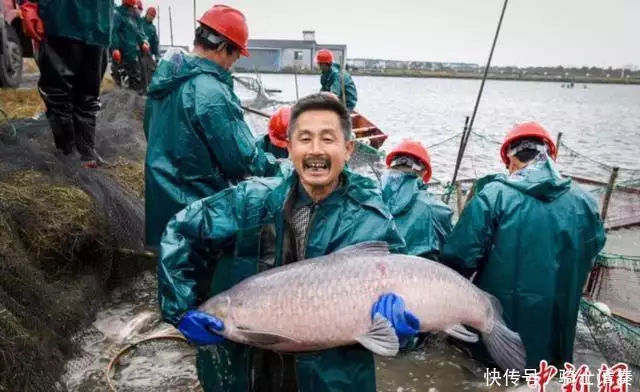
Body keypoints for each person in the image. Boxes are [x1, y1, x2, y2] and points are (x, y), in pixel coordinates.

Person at [158, 93, 418, 392]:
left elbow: (412, 301)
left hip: (333, 380)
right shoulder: (250, 200)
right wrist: (182, 309)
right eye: (305, 139)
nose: (316, 150)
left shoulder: (374, 220)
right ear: (290, 146)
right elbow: (181, 231)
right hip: (247, 371)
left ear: (348, 149)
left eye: (328, 139)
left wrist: (405, 332)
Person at [440, 122, 606, 370]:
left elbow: (459, 259)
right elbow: (594, 248)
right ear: (550, 156)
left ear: (511, 160)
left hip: (496, 345)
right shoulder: (585, 201)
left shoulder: (493, 195)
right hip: (555, 345)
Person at [144, 5, 280, 250]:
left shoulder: (162, 82)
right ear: (221, 46)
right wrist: (281, 169)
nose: (234, 61)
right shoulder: (212, 92)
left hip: (162, 206)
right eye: (235, 54)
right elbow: (240, 159)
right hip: (201, 210)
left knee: (174, 275)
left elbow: (152, 133)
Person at [18, 0, 113, 166]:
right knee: (60, 90)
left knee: (90, 92)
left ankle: (86, 149)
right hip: (61, 16)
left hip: (99, 22)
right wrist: (29, 5)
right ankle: (67, 151)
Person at [382, 140, 453, 260]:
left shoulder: (369, 198)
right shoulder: (436, 209)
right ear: (424, 172)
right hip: (420, 276)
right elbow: (453, 252)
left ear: (390, 166)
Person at [110, 0, 149, 94]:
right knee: (118, 81)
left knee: (136, 80)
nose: (133, 8)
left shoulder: (133, 17)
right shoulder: (117, 15)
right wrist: (115, 48)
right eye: (131, 6)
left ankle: (134, 103)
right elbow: (113, 32)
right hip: (121, 55)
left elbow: (137, 32)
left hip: (132, 55)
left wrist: (142, 42)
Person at [140, 5, 159, 88]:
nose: (151, 18)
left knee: (152, 68)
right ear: (146, 14)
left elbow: (155, 43)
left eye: (153, 17)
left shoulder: (153, 28)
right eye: (150, 15)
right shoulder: (139, 22)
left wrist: (156, 55)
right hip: (137, 50)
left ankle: (148, 89)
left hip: (148, 53)